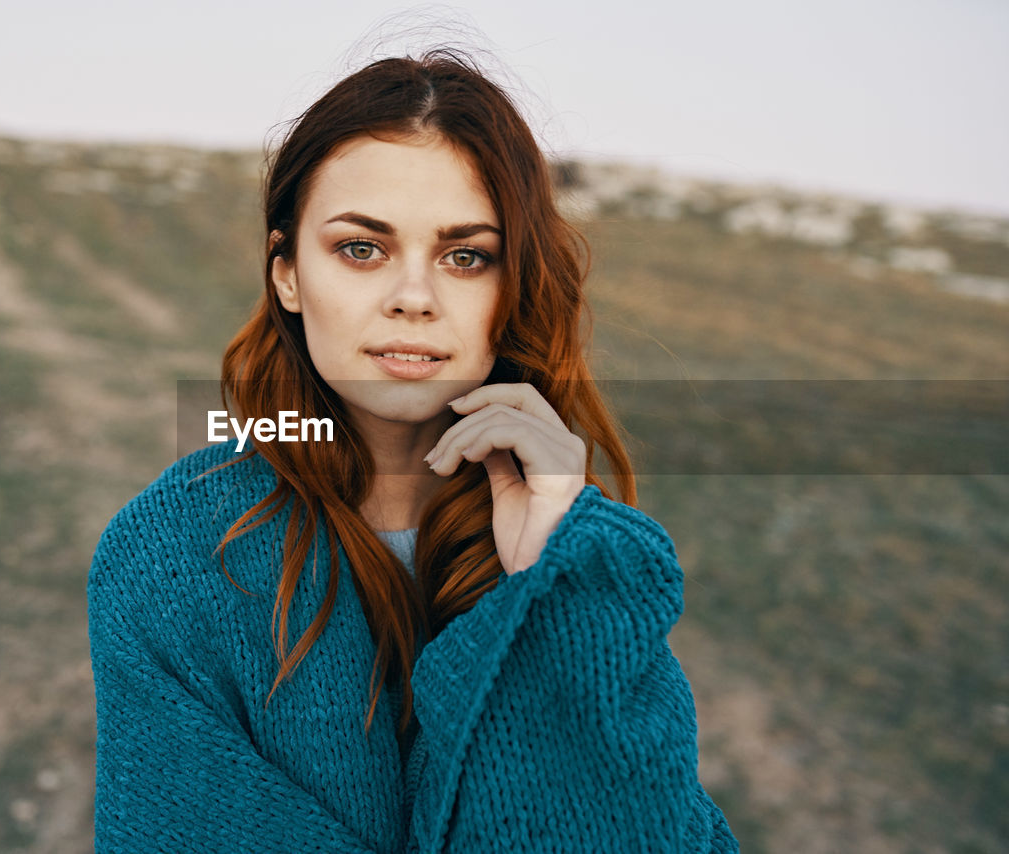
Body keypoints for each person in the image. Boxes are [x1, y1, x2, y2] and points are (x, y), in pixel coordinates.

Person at [88, 47, 737, 853]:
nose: (414, 298)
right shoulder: (170, 554)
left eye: (467, 256)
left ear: (515, 284)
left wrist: (553, 582)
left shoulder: (584, 554)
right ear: (287, 273)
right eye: (362, 248)